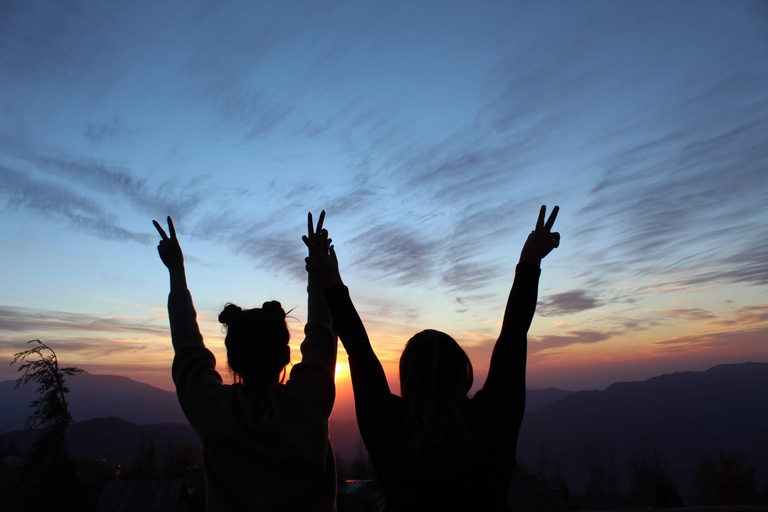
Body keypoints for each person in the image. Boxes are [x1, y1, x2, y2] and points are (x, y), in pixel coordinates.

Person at [304, 206, 560, 511]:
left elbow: (358, 350)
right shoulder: (491, 421)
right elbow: (513, 335)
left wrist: (329, 277)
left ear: (407, 375)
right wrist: (530, 260)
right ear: (461, 370)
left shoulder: (388, 427)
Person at [154, 213, 338, 512]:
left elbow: (188, 349)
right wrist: (320, 277)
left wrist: (176, 270)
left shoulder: (213, 411)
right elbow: (322, 333)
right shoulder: (308, 403)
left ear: (232, 361)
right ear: (285, 358)